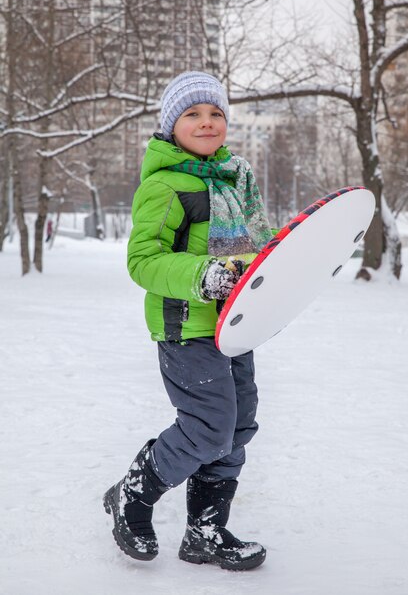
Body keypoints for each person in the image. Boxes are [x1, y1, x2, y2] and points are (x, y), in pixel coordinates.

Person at [103, 71, 274, 571]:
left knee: (238, 425)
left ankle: (205, 533)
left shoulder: (234, 178)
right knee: (208, 427)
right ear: (170, 125)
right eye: (192, 113)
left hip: (235, 324)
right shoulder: (164, 185)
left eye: (216, 112)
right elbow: (143, 261)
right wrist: (206, 275)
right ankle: (132, 495)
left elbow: (257, 251)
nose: (207, 122)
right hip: (186, 324)